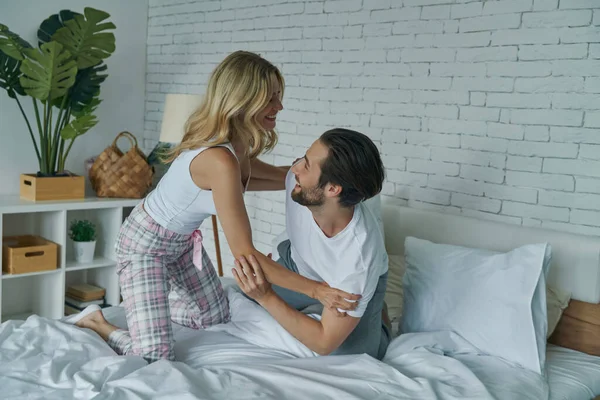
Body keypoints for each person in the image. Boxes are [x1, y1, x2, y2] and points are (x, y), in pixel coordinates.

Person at [65, 51, 360, 363]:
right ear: (244, 99)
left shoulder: (238, 144)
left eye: (279, 96)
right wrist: (317, 291)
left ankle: (153, 309)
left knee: (215, 316)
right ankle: (97, 322)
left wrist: (326, 178)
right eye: (271, 98)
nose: (279, 106)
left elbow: (274, 177)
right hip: (144, 246)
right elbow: (246, 255)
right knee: (155, 357)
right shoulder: (219, 160)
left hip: (180, 244)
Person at [233, 128, 391, 360]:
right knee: (243, 296)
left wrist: (266, 296)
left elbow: (323, 343)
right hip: (299, 264)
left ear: (332, 189)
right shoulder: (299, 182)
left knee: (352, 357)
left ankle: (380, 313)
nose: (294, 168)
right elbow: (243, 176)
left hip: (341, 286)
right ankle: (314, 304)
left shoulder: (358, 262)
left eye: (306, 165)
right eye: (302, 158)